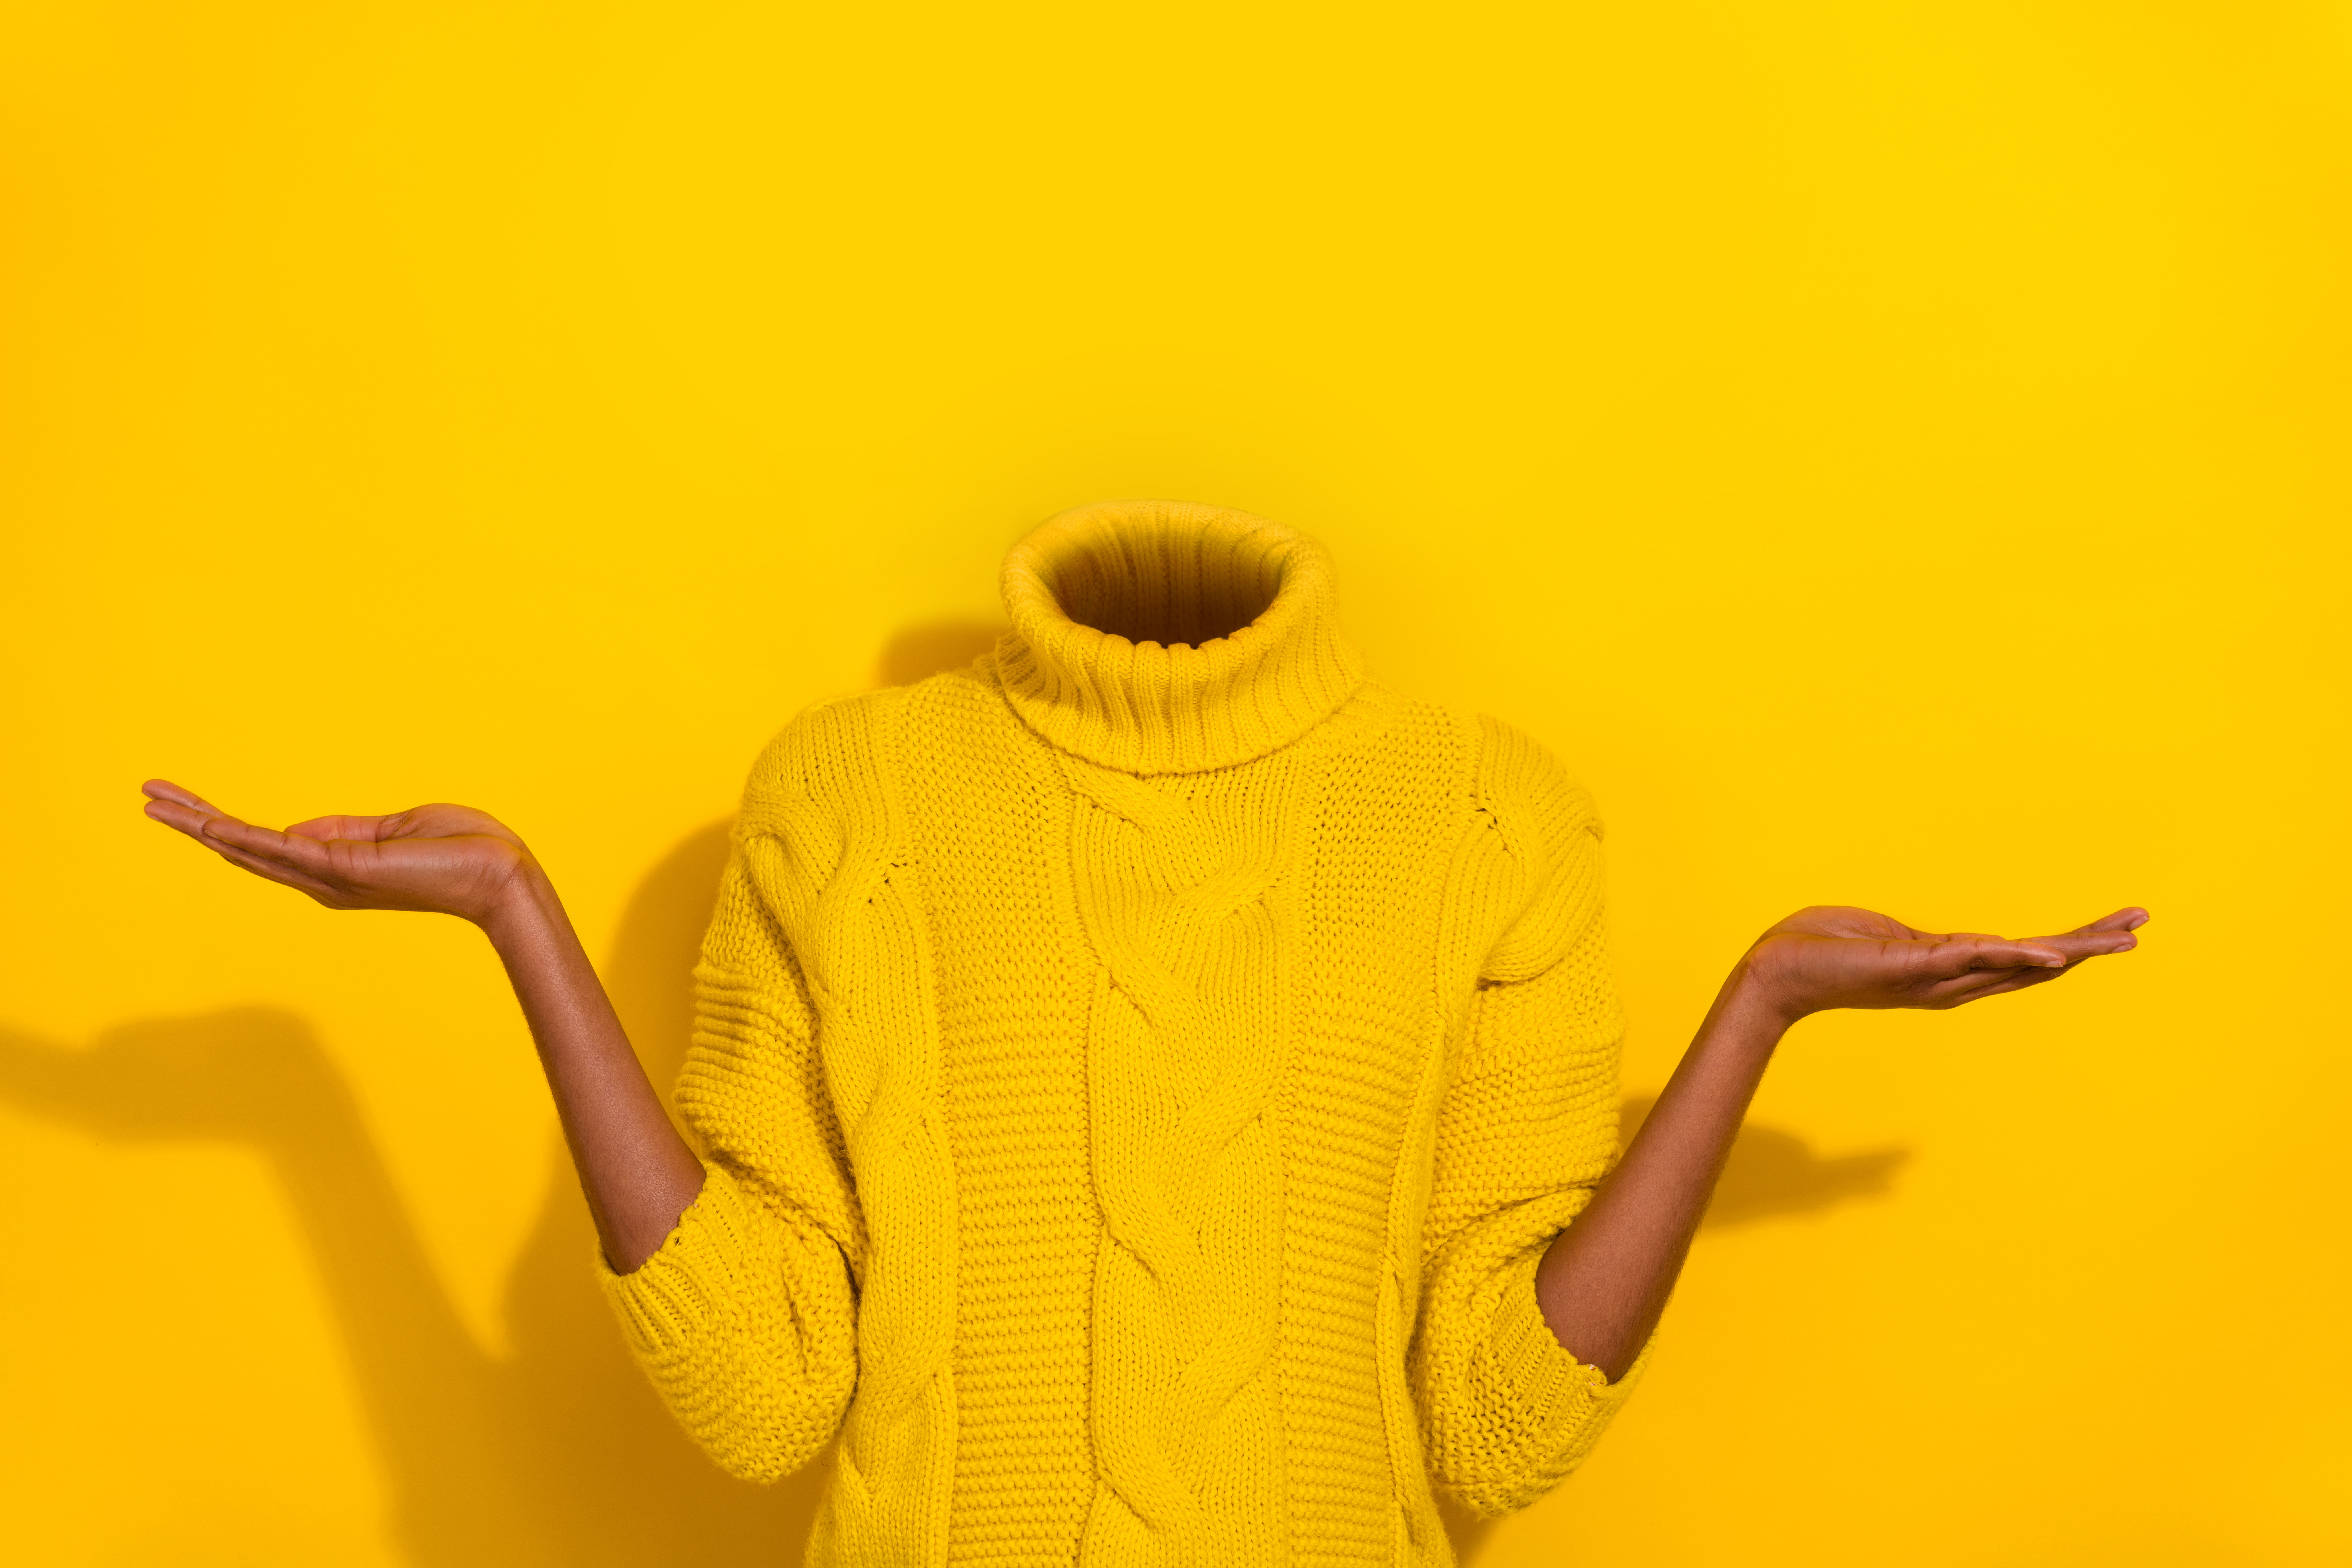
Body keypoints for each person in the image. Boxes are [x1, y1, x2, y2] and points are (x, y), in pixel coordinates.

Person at [142, 501, 2143, 1565]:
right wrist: (518, 918)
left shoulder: (1479, 816)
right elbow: (762, 1392)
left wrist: (1761, 1008)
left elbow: (1494, 1426)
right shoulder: (850, 803)